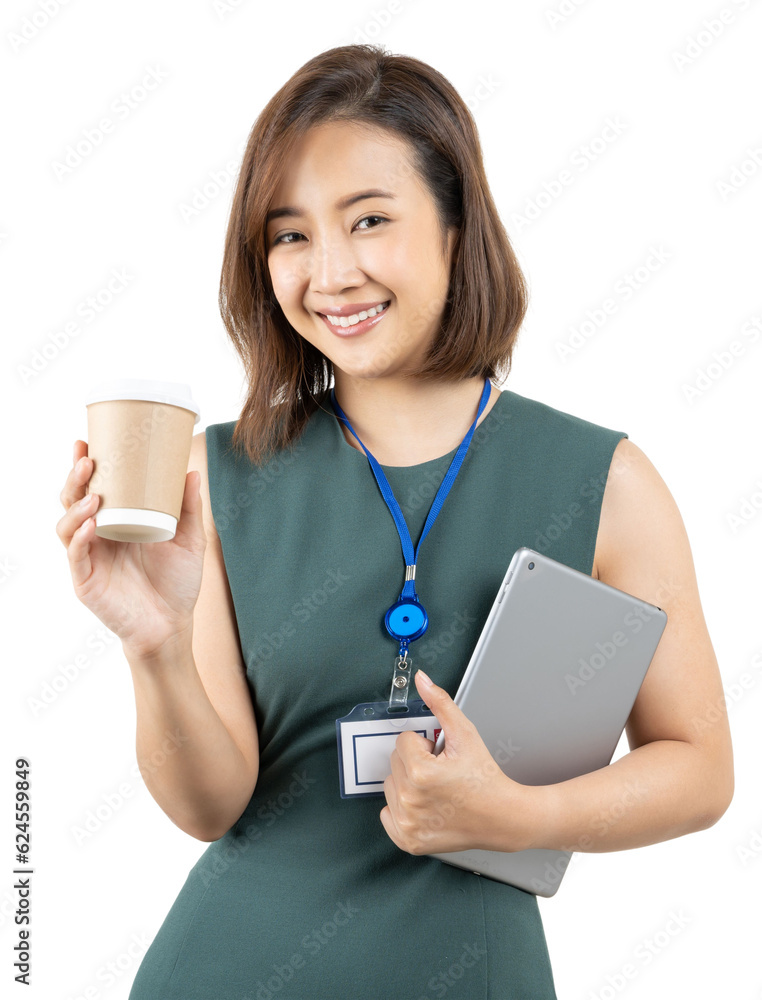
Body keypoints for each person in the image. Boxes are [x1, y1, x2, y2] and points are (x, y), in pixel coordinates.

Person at [56, 43, 734, 1000]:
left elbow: (700, 771)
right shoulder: (216, 472)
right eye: (288, 236)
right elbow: (210, 806)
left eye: (369, 220)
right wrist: (153, 646)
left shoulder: (606, 481)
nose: (330, 273)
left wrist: (516, 814)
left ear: (457, 226)